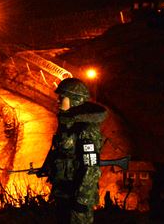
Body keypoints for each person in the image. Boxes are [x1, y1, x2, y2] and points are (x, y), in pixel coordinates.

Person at [39, 78, 107, 224]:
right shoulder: (68, 124)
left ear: (75, 100)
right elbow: (62, 153)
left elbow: (91, 167)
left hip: (78, 197)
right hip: (64, 193)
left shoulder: (86, 129)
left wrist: (81, 200)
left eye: (62, 97)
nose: (58, 101)